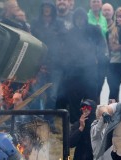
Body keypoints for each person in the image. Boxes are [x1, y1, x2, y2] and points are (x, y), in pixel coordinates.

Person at [59, 8, 107, 123]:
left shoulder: (94, 30)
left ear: (85, 19)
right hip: (73, 73)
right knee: (74, 101)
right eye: (77, 18)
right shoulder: (70, 33)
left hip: (90, 71)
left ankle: (91, 123)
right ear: (74, 19)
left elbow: (101, 47)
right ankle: (75, 124)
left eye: (81, 18)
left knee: (91, 99)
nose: (79, 21)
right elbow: (65, 52)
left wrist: (98, 62)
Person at [30, 0, 67, 132]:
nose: (47, 9)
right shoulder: (35, 23)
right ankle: (35, 121)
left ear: (52, 9)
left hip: (55, 64)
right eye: (45, 7)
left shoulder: (59, 24)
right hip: (38, 64)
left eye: (49, 7)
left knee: (52, 95)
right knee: (36, 93)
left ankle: (49, 122)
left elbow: (63, 42)